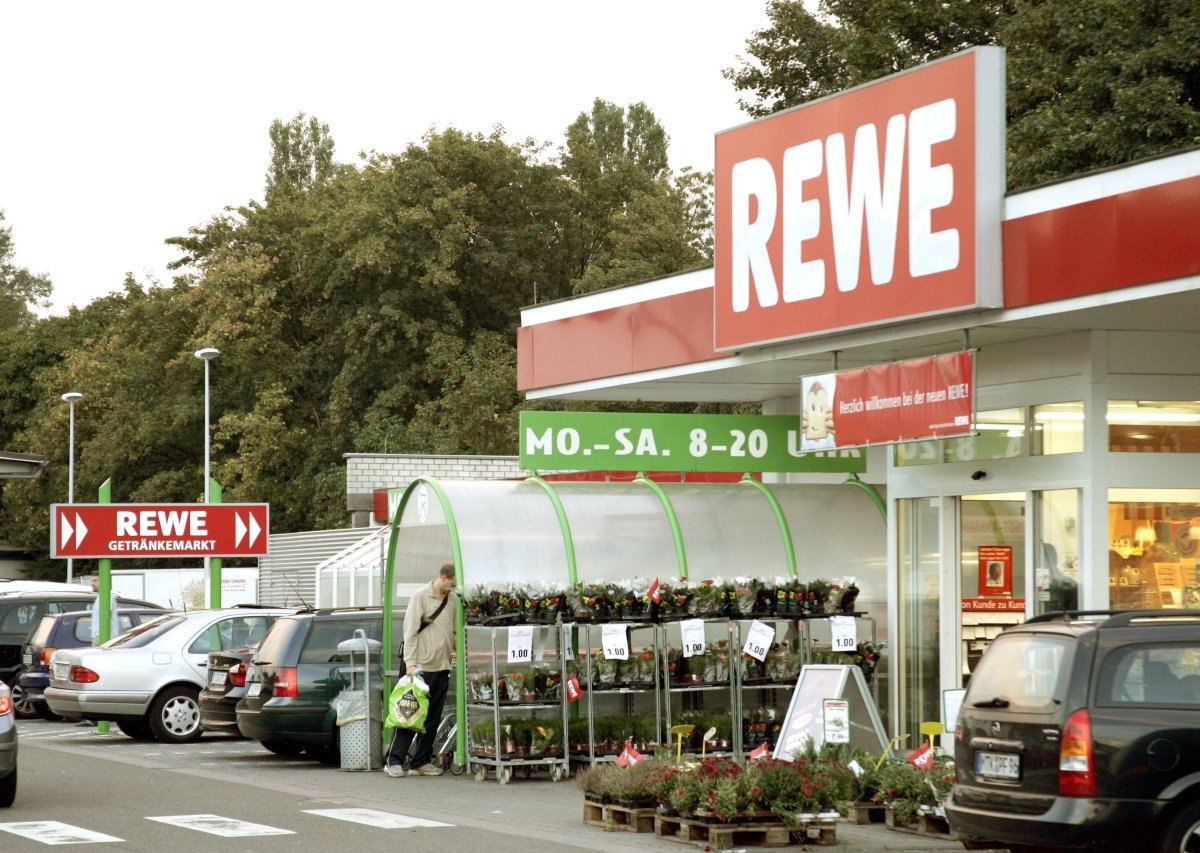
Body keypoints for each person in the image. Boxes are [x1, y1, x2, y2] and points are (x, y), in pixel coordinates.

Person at [384, 562, 456, 778]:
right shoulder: (420, 597)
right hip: (419, 668)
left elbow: (451, 632)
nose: (453, 588)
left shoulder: (452, 601)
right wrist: (410, 664)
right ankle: (393, 760)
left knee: (432, 717)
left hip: (442, 666)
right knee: (409, 714)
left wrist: (459, 649)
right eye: (452, 584)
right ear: (443, 577)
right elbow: (410, 632)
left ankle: (421, 760)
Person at [89, 575, 119, 646]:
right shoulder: (100, 596)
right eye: (92, 581)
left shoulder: (107, 596)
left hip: (104, 637)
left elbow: (107, 615)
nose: (92, 583)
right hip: (99, 636)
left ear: (103, 581)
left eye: (95, 580)